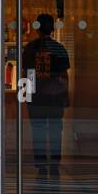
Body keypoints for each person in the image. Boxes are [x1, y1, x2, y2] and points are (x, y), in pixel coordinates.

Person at [22, 13, 70, 177]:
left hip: (36, 97)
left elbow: (27, 74)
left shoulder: (30, 48)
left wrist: (27, 96)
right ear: (52, 28)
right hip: (55, 97)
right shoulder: (59, 48)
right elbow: (64, 75)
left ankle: (41, 164)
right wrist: (65, 95)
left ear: (37, 28)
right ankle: (55, 164)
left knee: (38, 131)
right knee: (55, 131)